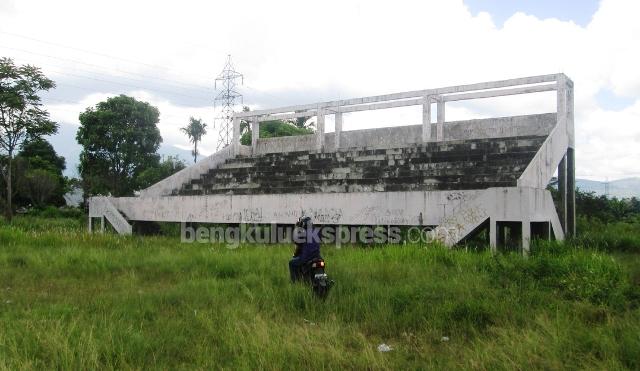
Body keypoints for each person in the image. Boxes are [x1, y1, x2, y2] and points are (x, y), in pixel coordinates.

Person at [289, 216, 321, 282]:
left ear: (303, 224)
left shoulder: (302, 233)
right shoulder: (316, 231)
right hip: (317, 256)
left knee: (291, 263)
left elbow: (298, 247)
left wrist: (295, 254)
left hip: (307, 257)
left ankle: (295, 282)